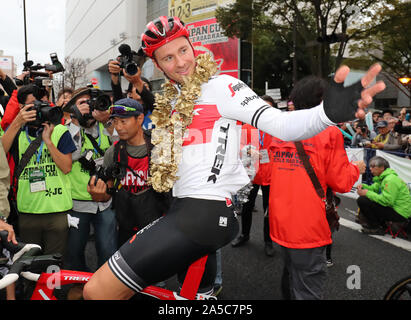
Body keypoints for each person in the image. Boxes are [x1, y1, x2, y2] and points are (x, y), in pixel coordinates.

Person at [83, 16, 385, 300]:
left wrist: (325, 113)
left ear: (193, 46)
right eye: (168, 58)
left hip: (201, 213)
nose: (181, 62)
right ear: (157, 65)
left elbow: (280, 123)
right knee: (188, 296)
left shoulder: (221, 87)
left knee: (96, 291)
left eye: (183, 50)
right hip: (180, 209)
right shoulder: (171, 102)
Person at [268, 75, 366, 300]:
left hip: (280, 221)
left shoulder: (278, 126)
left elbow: (266, 172)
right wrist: (356, 168)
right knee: (308, 286)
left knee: (291, 277)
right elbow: (340, 181)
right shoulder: (328, 131)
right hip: (308, 224)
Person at [1, 84, 76, 256]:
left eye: (43, 103)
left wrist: (48, 142)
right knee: (28, 266)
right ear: (21, 108)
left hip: (57, 212)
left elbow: (66, 167)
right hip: (28, 212)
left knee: (53, 267)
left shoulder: (59, 131)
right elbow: (1, 153)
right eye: (34, 105)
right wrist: (18, 121)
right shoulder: (15, 131)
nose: (41, 109)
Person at [87, 98, 170, 247]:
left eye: (123, 121)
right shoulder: (113, 153)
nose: (118, 127)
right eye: (115, 122)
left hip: (159, 228)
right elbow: (108, 193)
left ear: (139, 118)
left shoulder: (160, 148)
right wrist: (99, 195)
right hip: (127, 231)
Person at [61, 87, 117, 272]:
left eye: (90, 101)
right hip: (78, 203)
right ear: (72, 109)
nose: (89, 106)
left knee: (108, 250)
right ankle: (79, 286)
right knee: (75, 251)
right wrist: (76, 121)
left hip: (106, 201)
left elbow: (122, 143)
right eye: (82, 103)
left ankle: (105, 286)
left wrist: (107, 120)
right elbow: (72, 154)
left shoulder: (105, 126)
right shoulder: (67, 130)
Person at [231, 96, 276, 257]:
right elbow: (239, 145)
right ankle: (244, 234)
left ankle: (268, 241)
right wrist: (249, 151)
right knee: (247, 206)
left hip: (271, 175)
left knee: (268, 210)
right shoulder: (248, 127)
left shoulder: (276, 128)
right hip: (251, 173)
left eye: (268, 108)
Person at [357, 156, 411, 234]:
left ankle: (376, 227)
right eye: (370, 167)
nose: (370, 169)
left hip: (400, 213)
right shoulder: (383, 178)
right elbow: (373, 188)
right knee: (366, 198)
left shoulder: (390, 180)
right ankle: (379, 224)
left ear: (382, 168)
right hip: (395, 209)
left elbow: (387, 201)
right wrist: (363, 186)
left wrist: (367, 193)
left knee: (363, 200)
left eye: (373, 166)